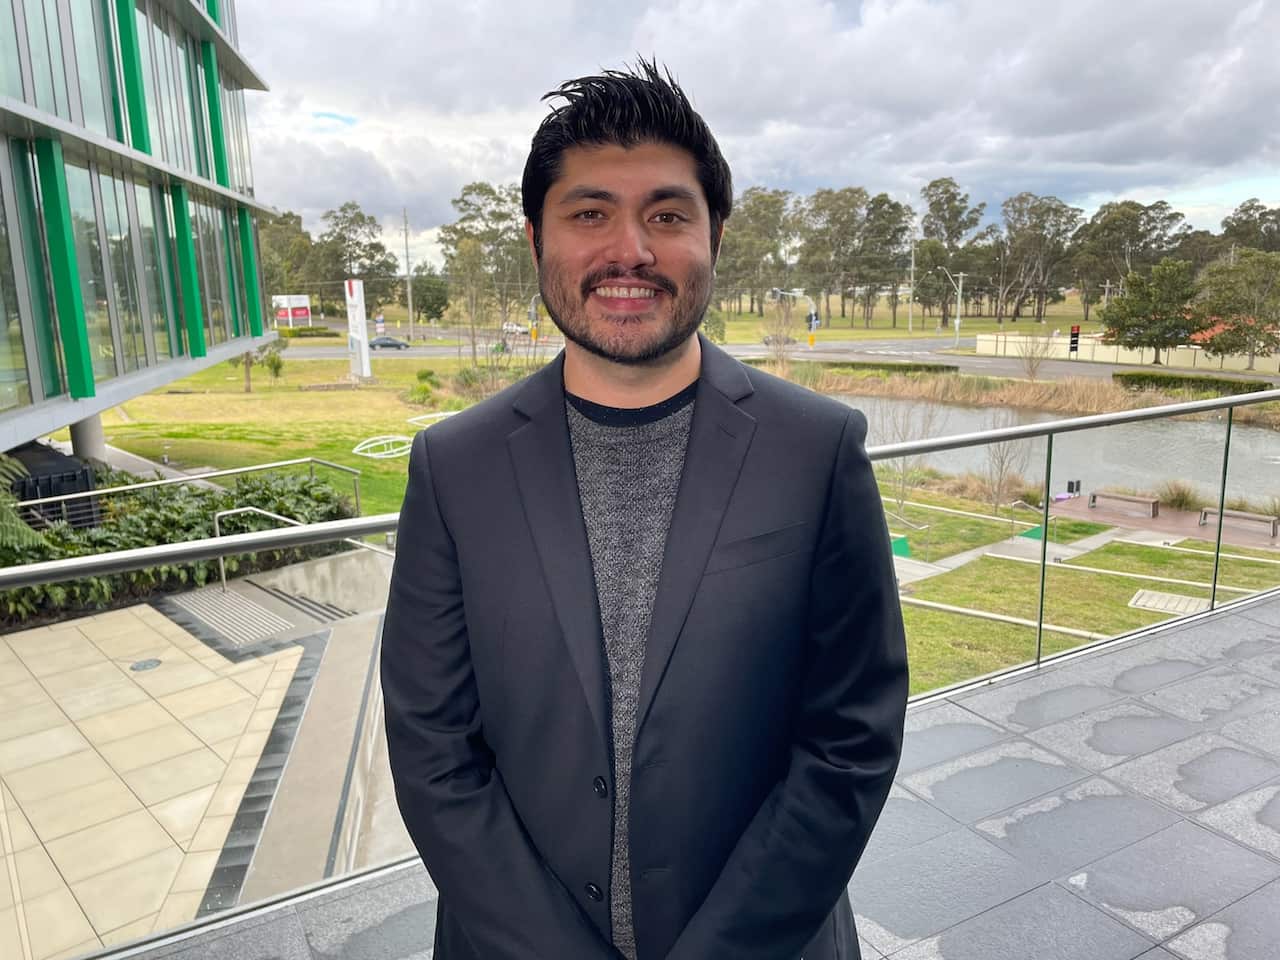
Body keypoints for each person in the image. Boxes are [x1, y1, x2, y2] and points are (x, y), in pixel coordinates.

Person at [381, 60, 908, 960]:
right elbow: (434, 749)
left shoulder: (816, 450)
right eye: (589, 213)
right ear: (534, 237)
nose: (630, 250)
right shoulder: (454, 465)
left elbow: (850, 737)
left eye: (667, 215)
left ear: (716, 236)